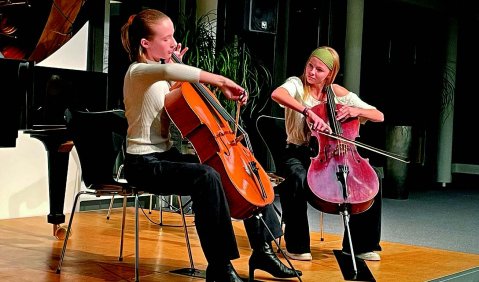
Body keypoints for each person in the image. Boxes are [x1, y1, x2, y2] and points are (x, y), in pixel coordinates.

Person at [120, 8, 301, 281]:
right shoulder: (139, 72)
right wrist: (222, 80)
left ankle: (263, 251)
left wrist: (182, 65)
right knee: (207, 177)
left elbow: (178, 86)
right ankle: (219, 265)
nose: (172, 43)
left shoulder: (163, 75)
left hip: (166, 156)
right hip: (142, 163)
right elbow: (168, 69)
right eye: (166, 38)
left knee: (237, 169)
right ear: (145, 43)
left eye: (173, 37)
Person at [271, 46, 384, 261]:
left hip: (333, 155)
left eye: (319, 70)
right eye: (310, 66)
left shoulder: (337, 92)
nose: (312, 73)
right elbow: (278, 94)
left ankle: (361, 245)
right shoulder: (296, 84)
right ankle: (296, 245)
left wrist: (355, 111)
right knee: (297, 178)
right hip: (297, 152)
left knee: (373, 178)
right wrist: (307, 112)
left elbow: (379, 115)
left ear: (329, 74)